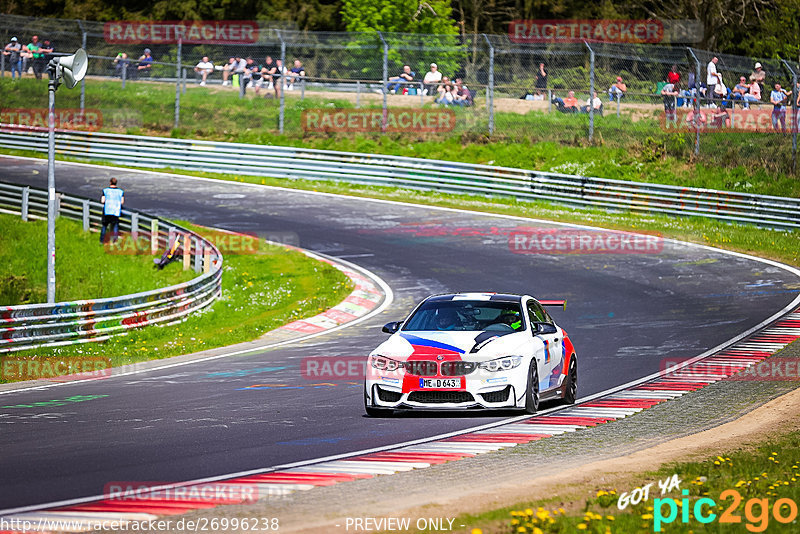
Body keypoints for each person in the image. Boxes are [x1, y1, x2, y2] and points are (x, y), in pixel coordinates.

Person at [100, 178, 124, 244]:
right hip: (116, 211)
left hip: (107, 210)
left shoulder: (105, 190)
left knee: (104, 226)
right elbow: (122, 202)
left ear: (110, 182)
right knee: (115, 226)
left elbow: (102, 201)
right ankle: (115, 241)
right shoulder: (120, 191)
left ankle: (102, 241)